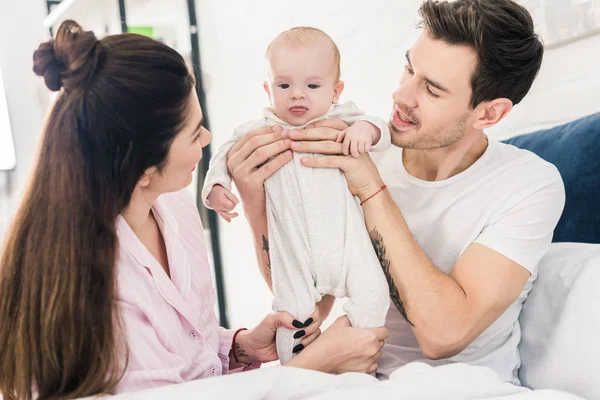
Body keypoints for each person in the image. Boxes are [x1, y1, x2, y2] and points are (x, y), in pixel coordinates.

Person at [0, 21, 388, 400]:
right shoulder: (99, 286)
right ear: (144, 168)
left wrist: (238, 349)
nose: (207, 138)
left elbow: (184, 352)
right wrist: (310, 367)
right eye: (194, 132)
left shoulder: (172, 207)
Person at [228, 0, 565, 386]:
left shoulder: (528, 183)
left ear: (488, 114)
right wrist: (257, 203)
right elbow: (311, 299)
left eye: (432, 90)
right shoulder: (359, 143)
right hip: (355, 383)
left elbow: (444, 335)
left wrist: (371, 188)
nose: (401, 95)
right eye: (409, 67)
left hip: (466, 389)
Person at [202, 26, 390, 364]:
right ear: (267, 88)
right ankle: (296, 369)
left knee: (374, 292)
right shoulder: (260, 130)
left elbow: (381, 128)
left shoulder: (343, 119)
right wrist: (216, 187)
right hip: (293, 252)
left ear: (336, 91)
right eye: (284, 85)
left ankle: (361, 361)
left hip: (347, 243)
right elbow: (225, 154)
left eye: (312, 86)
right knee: (292, 315)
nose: (297, 95)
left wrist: (365, 130)